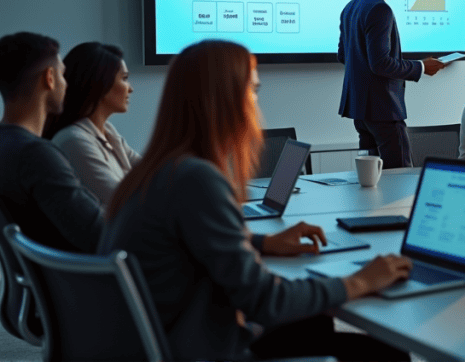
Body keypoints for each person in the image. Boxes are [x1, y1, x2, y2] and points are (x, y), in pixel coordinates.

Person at [99, 39, 411, 361]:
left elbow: (190, 242)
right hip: (201, 349)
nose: (256, 106)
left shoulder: (159, 171)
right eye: (254, 91)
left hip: (172, 339)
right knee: (387, 354)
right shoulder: (195, 179)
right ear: (227, 100)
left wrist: (263, 242)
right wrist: (360, 280)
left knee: (315, 322)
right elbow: (265, 300)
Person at [338, 0, 444, 169]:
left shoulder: (350, 8)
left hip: (361, 111)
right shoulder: (380, 10)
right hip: (383, 110)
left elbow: (343, 55)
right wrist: (421, 67)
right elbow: (381, 63)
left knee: (370, 178)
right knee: (400, 178)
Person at [0, 32, 103, 252]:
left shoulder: (7, 145)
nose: (66, 85)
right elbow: (98, 234)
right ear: (49, 78)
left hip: (49, 283)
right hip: (87, 280)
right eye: (63, 75)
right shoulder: (35, 155)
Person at [45, 42, 140, 205]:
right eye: (124, 79)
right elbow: (121, 199)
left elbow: (150, 170)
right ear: (101, 84)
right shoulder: (73, 140)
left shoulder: (108, 131)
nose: (130, 89)